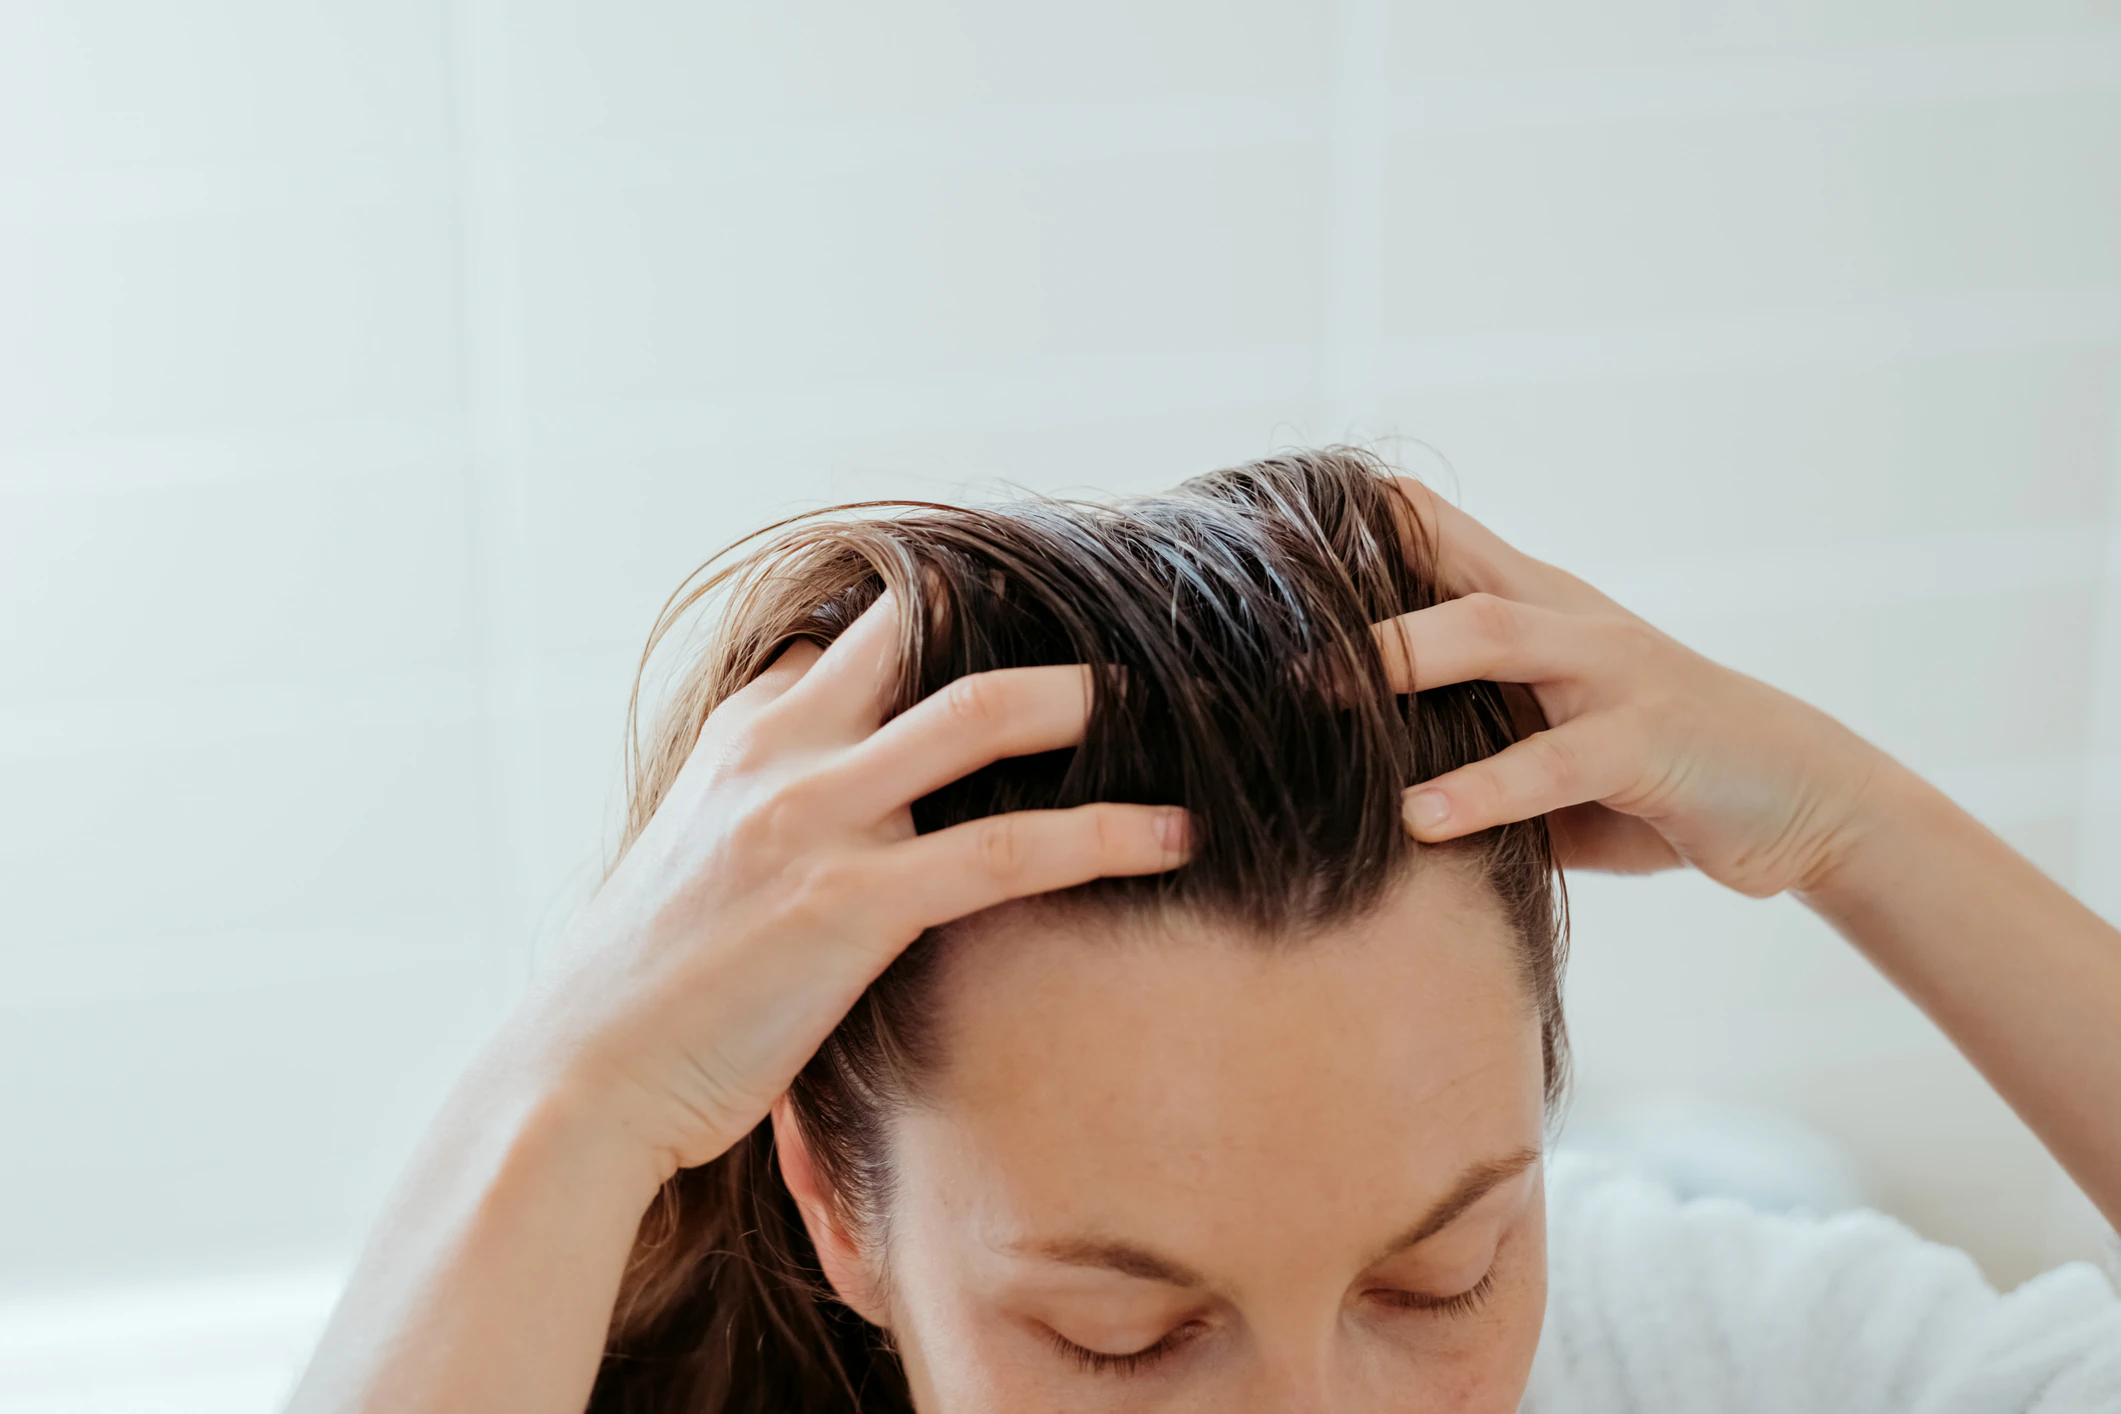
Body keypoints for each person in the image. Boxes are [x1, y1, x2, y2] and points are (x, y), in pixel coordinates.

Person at [287, 449, 2121, 1413]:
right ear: (842, 1212)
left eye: (1441, 1278)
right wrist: (570, 1097)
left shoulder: (1665, 1347)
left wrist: (1863, 832)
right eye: (1126, 1334)